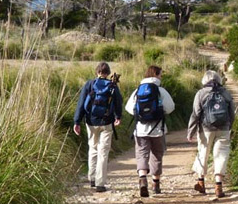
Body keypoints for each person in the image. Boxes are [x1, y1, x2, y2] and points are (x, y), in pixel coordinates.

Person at [125, 65, 175, 197]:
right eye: (160, 74)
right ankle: (156, 184)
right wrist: (159, 112)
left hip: (141, 129)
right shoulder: (160, 90)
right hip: (158, 128)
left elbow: (128, 108)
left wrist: (140, 114)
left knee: (142, 154)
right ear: (156, 74)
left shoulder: (138, 90)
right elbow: (171, 107)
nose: (161, 77)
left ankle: (142, 179)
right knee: (157, 154)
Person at [73, 62, 122, 193]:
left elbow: (81, 103)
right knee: (103, 152)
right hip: (106, 122)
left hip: (91, 122)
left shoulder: (89, 84)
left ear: (97, 72)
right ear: (108, 73)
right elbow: (118, 101)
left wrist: (77, 121)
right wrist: (118, 116)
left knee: (93, 148)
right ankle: (100, 183)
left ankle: (92, 178)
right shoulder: (112, 85)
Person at [187, 70, 234, 198]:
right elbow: (231, 112)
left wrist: (191, 131)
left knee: (203, 152)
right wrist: (229, 126)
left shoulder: (201, 93)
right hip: (223, 128)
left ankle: (201, 183)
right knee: (221, 154)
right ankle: (218, 186)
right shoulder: (225, 93)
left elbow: (195, 114)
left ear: (204, 80)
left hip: (206, 128)